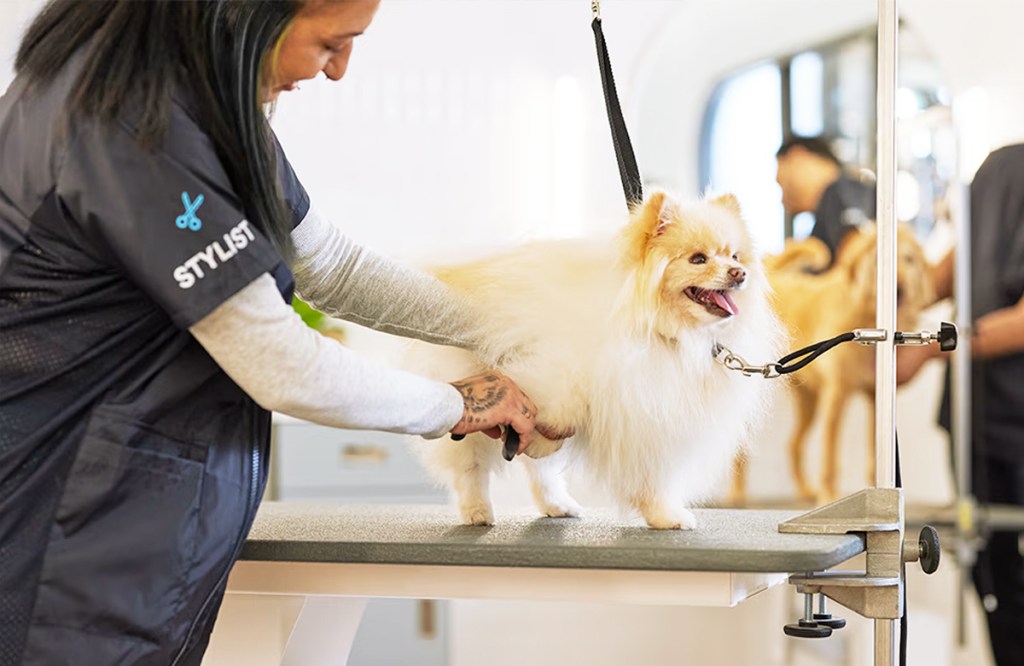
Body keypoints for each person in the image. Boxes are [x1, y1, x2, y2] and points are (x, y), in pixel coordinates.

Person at [0, 1, 566, 663]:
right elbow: (285, 365)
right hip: (66, 539)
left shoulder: (203, 106)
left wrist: (512, 330)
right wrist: (459, 404)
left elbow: (330, 264)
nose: (339, 71)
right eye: (332, 43)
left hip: (123, 539)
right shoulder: (132, 126)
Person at [897, 144, 1024, 666]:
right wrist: (890, 305)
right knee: (990, 577)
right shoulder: (999, 166)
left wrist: (928, 348)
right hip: (975, 422)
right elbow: (952, 268)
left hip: (1017, 423)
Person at [775, 134, 876, 265]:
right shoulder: (832, 204)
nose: (783, 201)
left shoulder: (841, 190)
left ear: (797, 156)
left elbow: (859, 258)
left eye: (781, 184)